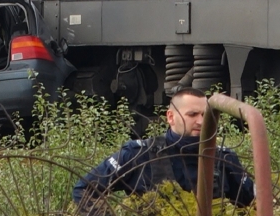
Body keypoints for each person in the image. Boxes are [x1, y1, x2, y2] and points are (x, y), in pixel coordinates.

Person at [72, 87, 255, 213]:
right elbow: (84, 189)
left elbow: (254, 203)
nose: (201, 121)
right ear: (170, 117)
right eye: (192, 115)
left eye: (205, 115)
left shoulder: (224, 158)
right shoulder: (139, 154)